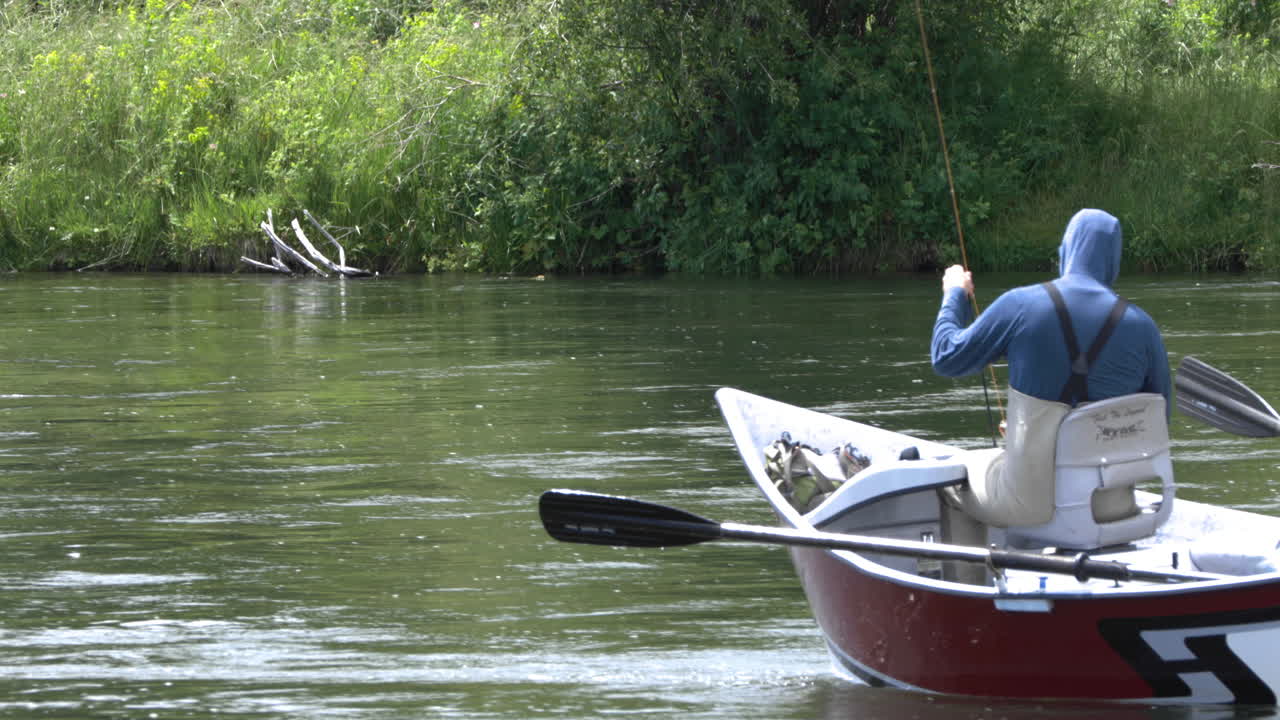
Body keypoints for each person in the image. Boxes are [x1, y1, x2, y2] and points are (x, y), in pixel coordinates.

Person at [929, 208, 1172, 528]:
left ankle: (971, 577)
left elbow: (946, 356)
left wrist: (955, 294)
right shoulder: (1144, 328)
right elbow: (1158, 422)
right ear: (1113, 261)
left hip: (1027, 507)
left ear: (1066, 251)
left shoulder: (1020, 305)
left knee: (949, 479)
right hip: (1112, 510)